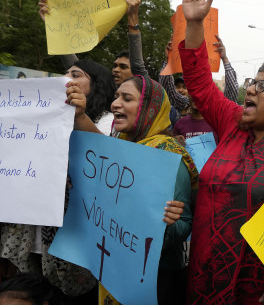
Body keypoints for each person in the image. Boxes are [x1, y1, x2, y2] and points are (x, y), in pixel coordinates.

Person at [177, 0, 264, 304]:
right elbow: (200, 83)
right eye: (251, 82)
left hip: (257, 286)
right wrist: (195, 24)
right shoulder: (231, 122)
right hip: (204, 274)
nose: (251, 89)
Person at [71, 75, 197, 304]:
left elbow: (183, 224)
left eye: (126, 98)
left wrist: (166, 223)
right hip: (114, 267)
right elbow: (96, 142)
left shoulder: (169, 156)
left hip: (156, 280)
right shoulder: (123, 146)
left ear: (150, 109)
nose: (115, 104)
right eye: (116, 96)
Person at [0, 59, 116, 302]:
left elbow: (107, 157)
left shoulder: (107, 123)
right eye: (65, 72)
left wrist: (80, 116)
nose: (66, 77)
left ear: (97, 85)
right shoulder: (45, 116)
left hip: (70, 237)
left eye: (76, 74)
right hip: (30, 232)